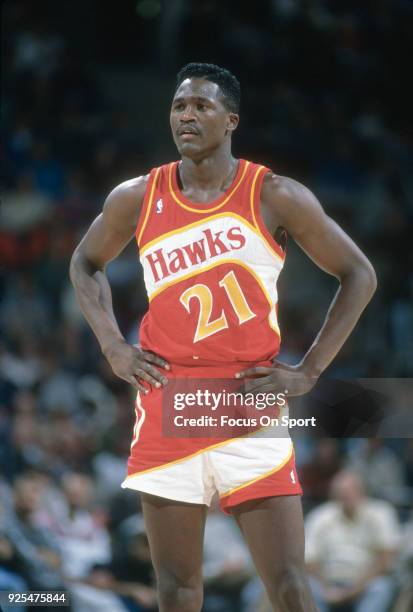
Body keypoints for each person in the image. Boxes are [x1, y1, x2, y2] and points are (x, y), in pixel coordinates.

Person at [70, 62, 377, 612]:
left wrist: (308, 371)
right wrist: (113, 346)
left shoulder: (275, 194)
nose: (186, 116)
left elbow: (359, 274)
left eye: (201, 106)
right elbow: (85, 262)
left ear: (231, 120)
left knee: (287, 585)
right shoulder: (138, 196)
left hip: (246, 403)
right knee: (177, 589)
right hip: (168, 402)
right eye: (178, 106)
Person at [305, 470, 400, 612]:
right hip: (328, 583)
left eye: (351, 491)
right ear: (333, 495)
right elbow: (309, 559)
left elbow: (385, 559)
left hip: (366, 583)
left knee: (382, 587)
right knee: (305, 585)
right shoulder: (320, 516)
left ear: (362, 491)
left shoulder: (381, 513)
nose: (347, 496)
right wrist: (327, 588)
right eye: (341, 493)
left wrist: (352, 591)